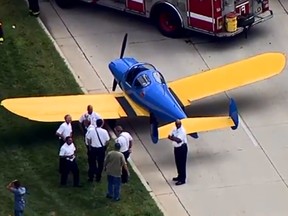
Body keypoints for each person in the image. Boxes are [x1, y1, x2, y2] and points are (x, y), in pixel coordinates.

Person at [168, 119, 188, 186]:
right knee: (178, 163)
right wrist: (173, 138)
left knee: (182, 164)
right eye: (176, 124)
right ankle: (179, 176)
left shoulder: (182, 131)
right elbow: (169, 136)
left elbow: (179, 140)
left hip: (182, 148)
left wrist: (173, 137)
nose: (177, 125)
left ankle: (182, 179)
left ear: (180, 124)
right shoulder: (174, 129)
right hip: (176, 148)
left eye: (178, 124)